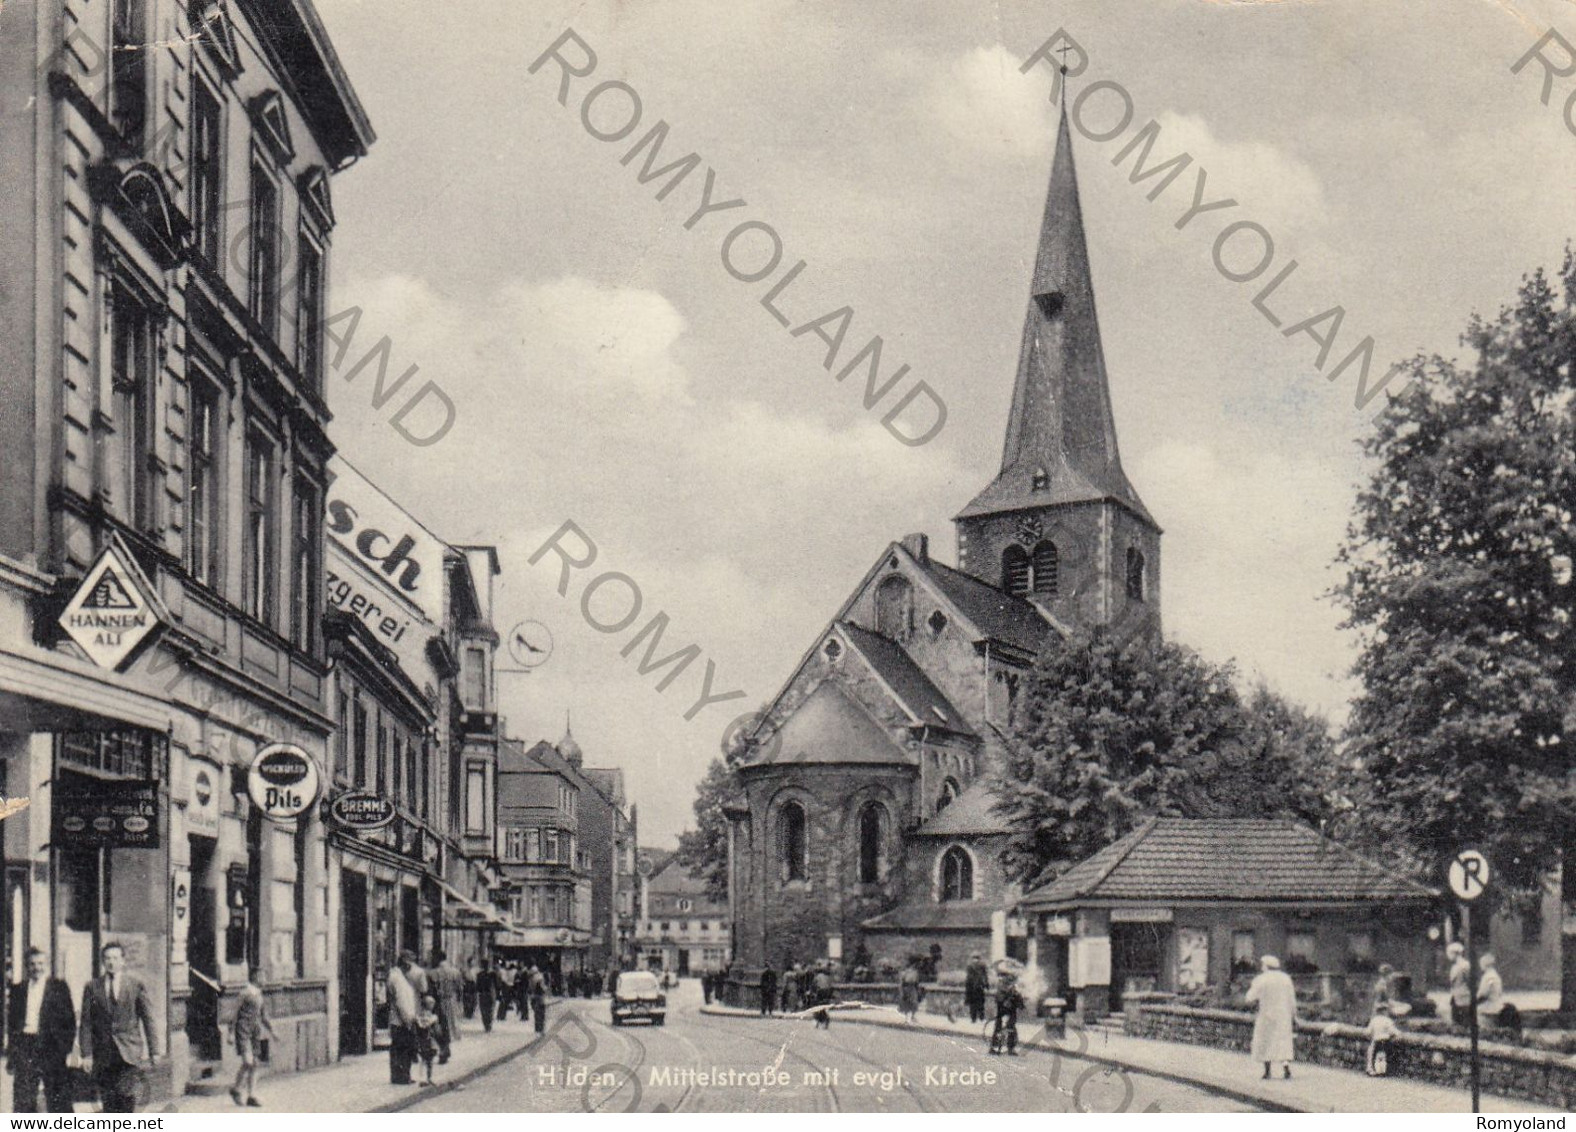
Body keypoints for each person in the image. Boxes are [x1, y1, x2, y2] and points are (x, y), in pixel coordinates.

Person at [77, 941, 160, 1113]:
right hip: (104, 1052)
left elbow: (148, 1018)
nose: (111, 962)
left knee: (126, 1098)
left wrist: (155, 1051)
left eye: (115, 958)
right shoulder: (92, 987)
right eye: (107, 958)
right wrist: (86, 1054)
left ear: (123, 961)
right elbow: (86, 1022)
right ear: (102, 961)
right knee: (108, 1101)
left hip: (129, 1051)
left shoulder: (135, 984)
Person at [7, 947, 75, 1113]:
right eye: (32, 964)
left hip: (51, 1047)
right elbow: (12, 1025)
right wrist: (13, 1054)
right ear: (26, 967)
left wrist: (63, 1049)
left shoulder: (59, 987)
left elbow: (69, 1021)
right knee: (24, 1097)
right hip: (26, 1045)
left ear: (47, 965)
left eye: (40, 963)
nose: (36, 967)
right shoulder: (18, 989)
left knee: (58, 1096)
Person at [1245, 955, 1297, 1080]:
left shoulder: (1261, 979)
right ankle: (1286, 1067)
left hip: (1267, 1014)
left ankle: (1267, 1071)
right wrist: (1293, 1015)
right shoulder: (1286, 979)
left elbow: (1250, 997)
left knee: (1265, 1040)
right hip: (1283, 1015)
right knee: (1282, 1041)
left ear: (1265, 966)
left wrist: (1252, 1000)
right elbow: (1292, 999)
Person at [229, 968, 275, 1107]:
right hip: (243, 1030)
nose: (265, 980)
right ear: (256, 977)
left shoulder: (259, 995)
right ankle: (236, 1089)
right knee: (248, 1062)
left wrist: (273, 1031)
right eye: (263, 977)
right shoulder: (245, 992)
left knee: (255, 1063)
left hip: (255, 1030)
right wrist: (230, 1033)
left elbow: (264, 1016)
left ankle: (251, 1095)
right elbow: (234, 1014)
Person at [387, 952, 420, 1085]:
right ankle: (401, 1076)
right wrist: (408, 1021)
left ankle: (401, 1076)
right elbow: (401, 1002)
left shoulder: (399, 977)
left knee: (400, 1048)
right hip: (401, 1021)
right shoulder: (397, 979)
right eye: (411, 963)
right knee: (403, 1049)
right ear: (405, 962)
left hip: (401, 1019)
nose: (412, 967)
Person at [429, 950, 463, 1065]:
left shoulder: (433, 973)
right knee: (449, 1025)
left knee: (439, 1026)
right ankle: (446, 1048)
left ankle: (443, 1049)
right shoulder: (455, 972)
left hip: (438, 1002)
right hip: (451, 1000)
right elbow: (460, 988)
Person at [988, 973, 1024, 1056]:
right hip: (1002, 1008)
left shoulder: (1014, 986)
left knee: (1011, 1028)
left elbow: (1018, 997)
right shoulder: (1002, 985)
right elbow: (999, 997)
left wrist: (1020, 1004)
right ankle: (994, 1047)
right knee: (999, 1027)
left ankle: (1011, 1048)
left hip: (1011, 1009)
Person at [1365, 1001, 1398, 1077]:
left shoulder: (1374, 1020)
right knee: (1382, 1056)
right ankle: (1382, 1071)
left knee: (1375, 1055)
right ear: (1384, 1011)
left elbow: (1368, 1031)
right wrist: (1398, 1033)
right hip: (1385, 1040)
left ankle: (1373, 1069)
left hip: (1376, 1040)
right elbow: (1392, 1031)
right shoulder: (1387, 1020)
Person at [414, 995, 440, 1087]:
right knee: (430, 1060)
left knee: (423, 1060)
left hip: (421, 1040)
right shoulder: (433, 1017)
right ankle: (429, 1078)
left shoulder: (419, 1016)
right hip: (430, 1040)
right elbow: (437, 1031)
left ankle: (423, 1078)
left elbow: (417, 1027)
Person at [1447, 942, 1471, 1028]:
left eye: (1449, 953)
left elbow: (1469, 981)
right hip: (1455, 998)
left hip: (1464, 998)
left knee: (1464, 1023)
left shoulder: (1465, 965)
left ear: (1455, 953)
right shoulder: (1454, 967)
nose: (1448, 956)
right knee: (1455, 1023)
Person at [1476, 953, 1505, 1025]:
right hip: (1497, 1004)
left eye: (1481, 964)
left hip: (1489, 1007)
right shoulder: (1495, 975)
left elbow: (1483, 993)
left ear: (1485, 964)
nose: (1480, 966)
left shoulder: (1488, 977)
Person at [964, 953, 990, 1025]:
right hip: (977, 988)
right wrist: (987, 985)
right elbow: (985, 976)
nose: (975, 960)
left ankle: (974, 1018)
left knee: (975, 1004)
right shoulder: (981, 966)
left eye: (976, 958)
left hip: (974, 988)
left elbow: (968, 978)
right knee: (979, 1003)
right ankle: (979, 1018)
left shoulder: (971, 966)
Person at [475, 959, 498, 1033]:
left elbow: (477, 986)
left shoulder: (479, 975)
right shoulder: (493, 974)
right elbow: (496, 984)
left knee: (483, 1010)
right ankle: (489, 1025)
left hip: (483, 994)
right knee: (490, 1010)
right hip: (490, 993)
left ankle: (486, 1025)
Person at [811, 962, 834, 1030]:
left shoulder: (817, 977)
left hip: (820, 992)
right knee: (824, 1005)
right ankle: (824, 1019)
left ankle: (817, 1020)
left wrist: (812, 992)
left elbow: (814, 985)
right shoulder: (828, 977)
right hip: (827, 992)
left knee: (817, 1005)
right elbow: (830, 986)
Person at [898, 958, 922, 1024]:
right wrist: (902, 991)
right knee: (906, 1003)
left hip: (913, 989)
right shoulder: (905, 973)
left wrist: (918, 990)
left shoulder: (915, 972)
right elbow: (902, 983)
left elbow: (917, 982)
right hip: (906, 988)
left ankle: (912, 1017)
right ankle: (906, 1019)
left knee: (914, 1003)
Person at [528, 965, 548, 1035]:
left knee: (536, 1015)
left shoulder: (531, 979)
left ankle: (537, 1029)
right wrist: (546, 989)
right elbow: (543, 988)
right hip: (540, 998)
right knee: (541, 1014)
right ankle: (541, 1029)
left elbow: (530, 989)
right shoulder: (539, 978)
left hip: (534, 997)